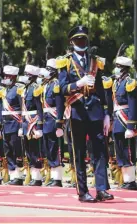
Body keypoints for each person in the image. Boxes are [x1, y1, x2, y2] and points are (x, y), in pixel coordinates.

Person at [57, 25, 113, 202]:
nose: (82, 43)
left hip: (95, 110)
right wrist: (78, 84)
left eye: (84, 39)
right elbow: (62, 89)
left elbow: (103, 91)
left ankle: (102, 189)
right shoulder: (65, 62)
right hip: (77, 112)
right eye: (78, 40)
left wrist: (106, 114)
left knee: (99, 151)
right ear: (71, 42)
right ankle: (83, 191)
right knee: (79, 153)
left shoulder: (96, 61)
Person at [103, 56, 137, 190]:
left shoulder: (130, 83)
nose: (115, 69)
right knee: (119, 150)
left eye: (118, 66)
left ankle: (131, 181)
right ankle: (125, 180)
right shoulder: (116, 83)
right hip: (117, 119)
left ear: (124, 69)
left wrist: (131, 126)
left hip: (126, 118)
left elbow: (133, 105)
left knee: (127, 150)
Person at [0, 65, 23, 185]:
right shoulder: (4, 90)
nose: (5, 78)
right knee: (8, 151)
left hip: (15, 123)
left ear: (13, 77)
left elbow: (23, 108)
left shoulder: (18, 89)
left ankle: (19, 176)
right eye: (4, 76)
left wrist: (22, 126)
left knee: (16, 150)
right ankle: (13, 175)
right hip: (6, 125)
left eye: (7, 76)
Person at [40, 59, 64, 187]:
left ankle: (57, 179)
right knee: (48, 149)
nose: (46, 71)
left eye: (48, 69)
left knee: (55, 149)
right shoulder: (47, 85)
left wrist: (59, 123)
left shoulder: (56, 84)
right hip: (46, 121)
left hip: (54, 120)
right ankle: (53, 176)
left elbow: (60, 105)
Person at [18, 65, 44, 186]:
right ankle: (33, 176)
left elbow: (39, 108)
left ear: (33, 77)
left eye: (28, 75)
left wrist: (39, 126)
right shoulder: (25, 89)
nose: (25, 76)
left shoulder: (35, 88)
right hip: (25, 122)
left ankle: (38, 178)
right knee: (28, 151)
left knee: (34, 150)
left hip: (33, 122)